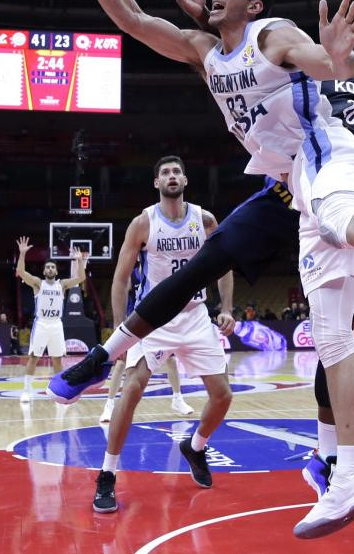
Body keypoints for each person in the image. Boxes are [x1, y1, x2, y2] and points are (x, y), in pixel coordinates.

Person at [48, 0, 354, 539]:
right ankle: (352, 473)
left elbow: (328, 65)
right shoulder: (205, 50)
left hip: (328, 156)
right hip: (294, 187)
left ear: (252, 4)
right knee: (333, 338)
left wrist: (338, 56)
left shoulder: (272, 34)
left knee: (337, 213)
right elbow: (130, 19)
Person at [92, 155, 236, 514]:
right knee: (132, 388)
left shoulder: (204, 220)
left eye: (176, 171)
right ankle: (107, 474)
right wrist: (121, 328)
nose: (172, 176)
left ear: (185, 179)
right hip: (154, 318)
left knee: (222, 396)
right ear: (156, 183)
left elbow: (224, 265)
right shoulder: (144, 223)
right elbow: (122, 278)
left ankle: (196, 446)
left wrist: (228, 307)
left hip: (195, 316)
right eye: (165, 173)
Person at [100, 167, 198, 424]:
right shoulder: (143, 238)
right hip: (142, 308)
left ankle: (177, 397)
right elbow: (122, 282)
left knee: (171, 357)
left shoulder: (187, 229)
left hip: (170, 307)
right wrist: (120, 321)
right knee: (122, 363)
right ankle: (109, 404)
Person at [16, 236, 86, 403]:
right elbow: (22, 272)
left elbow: (81, 278)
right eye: (47, 267)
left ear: (56, 271)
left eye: (52, 267)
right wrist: (22, 254)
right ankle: (26, 391)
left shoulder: (61, 285)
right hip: (41, 323)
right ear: (44, 271)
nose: (49, 269)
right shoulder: (38, 284)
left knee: (57, 359)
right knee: (34, 356)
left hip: (56, 324)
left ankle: (58, 391)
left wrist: (80, 261)